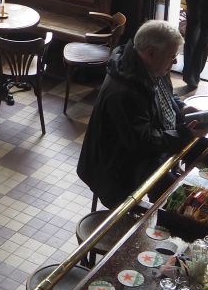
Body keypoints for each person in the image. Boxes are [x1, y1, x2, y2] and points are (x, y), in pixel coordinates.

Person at [77, 20, 198, 208]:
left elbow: (166, 92)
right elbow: (144, 142)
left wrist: (181, 107)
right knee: (176, 197)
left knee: (195, 159)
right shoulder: (125, 91)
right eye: (172, 57)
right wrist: (183, 135)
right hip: (118, 167)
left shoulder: (153, 66)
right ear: (150, 53)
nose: (174, 62)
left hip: (143, 149)